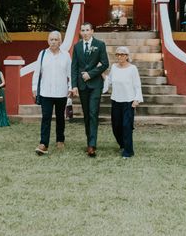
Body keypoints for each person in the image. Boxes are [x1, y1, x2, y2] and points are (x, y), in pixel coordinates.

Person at [71, 22, 109, 157]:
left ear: (92, 31)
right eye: (83, 30)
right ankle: (89, 141)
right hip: (82, 86)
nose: (85, 32)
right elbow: (74, 67)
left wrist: (91, 74)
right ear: (80, 32)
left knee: (93, 113)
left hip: (95, 85)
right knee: (86, 114)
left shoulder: (100, 45)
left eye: (87, 30)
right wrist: (74, 85)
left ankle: (92, 145)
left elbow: (105, 63)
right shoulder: (77, 47)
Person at [32, 31, 72, 156]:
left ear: (60, 41)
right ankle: (44, 143)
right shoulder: (43, 54)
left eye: (56, 39)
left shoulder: (66, 55)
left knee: (60, 117)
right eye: (51, 39)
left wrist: (70, 87)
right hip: (45, 92)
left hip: (61, 92)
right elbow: (37, 72)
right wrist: (34, 88)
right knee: (46, 118)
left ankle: (60, 139)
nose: (53, 42)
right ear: (48, 41)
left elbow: (70, 74)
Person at [104, 47, 142, 159]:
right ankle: (122, 144)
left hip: (129, 102)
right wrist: (102, 75)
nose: (119, 56)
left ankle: (128, 151)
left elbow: (137, 85)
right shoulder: (114, 67)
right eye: (117, 54)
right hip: (116, 100)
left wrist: (137, 99)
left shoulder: (132, 69)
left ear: (127, 56)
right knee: (116, 126)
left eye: (122, 54)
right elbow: (109, 81)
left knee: (126, 126)